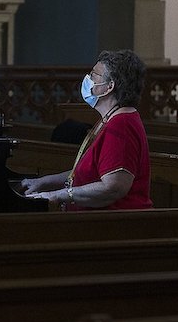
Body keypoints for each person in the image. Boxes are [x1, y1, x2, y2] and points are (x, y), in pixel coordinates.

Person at [22, 50, 153, 211]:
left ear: (109, 86)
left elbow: (113, 188)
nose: (87, 79)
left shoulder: (121, 126)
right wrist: (44, 182)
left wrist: (57, 195)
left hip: (113, 227)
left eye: (93, 75)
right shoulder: (110, 119)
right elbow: (87, 172)